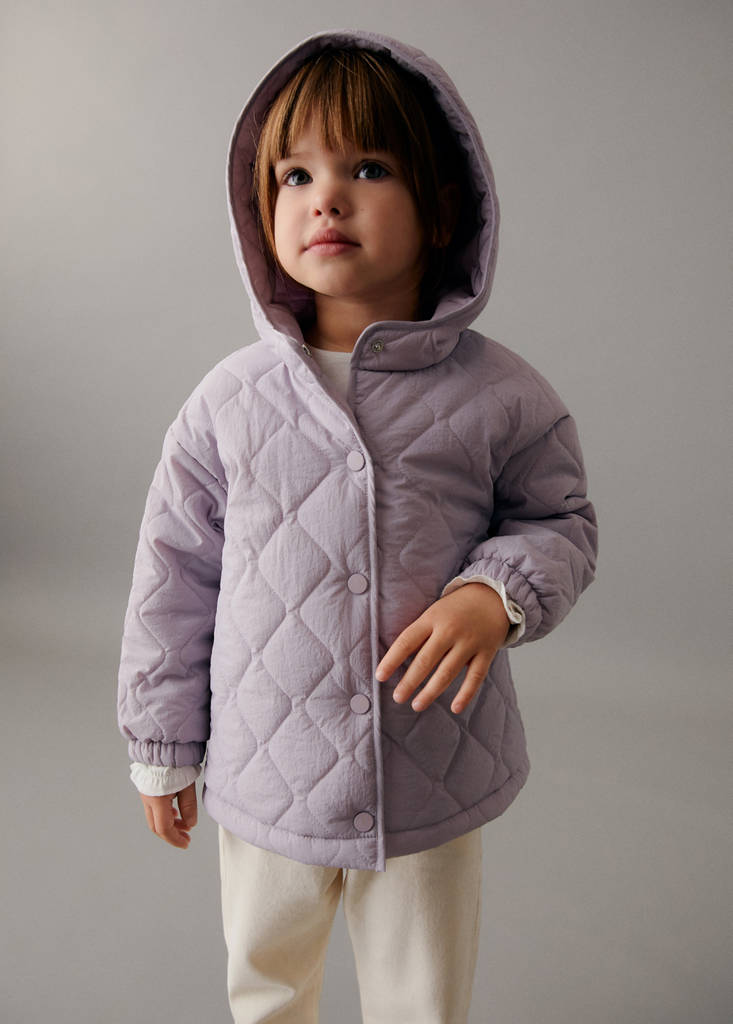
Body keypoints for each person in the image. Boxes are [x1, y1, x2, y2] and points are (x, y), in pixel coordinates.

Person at [117, 28, 598, 1024]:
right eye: (294, 175)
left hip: (429, 766)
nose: (325, 198)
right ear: (260, 209)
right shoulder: (228, 402)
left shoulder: (500, 394)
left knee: (422, 999)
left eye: (367, 168)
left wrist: (494, 594)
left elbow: (558, 520)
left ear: (442, 207)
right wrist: (162, 742)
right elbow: (172, 579)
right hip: (267, 762)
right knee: (266, 984)